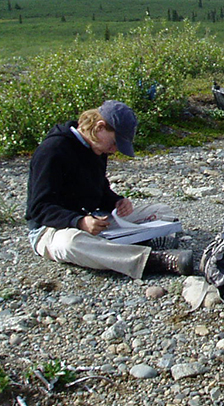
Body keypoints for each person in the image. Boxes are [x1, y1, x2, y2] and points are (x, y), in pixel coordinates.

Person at [25, 100, 195, 278]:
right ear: (99, 127)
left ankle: (116, 249)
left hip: (93, 220)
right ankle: (152, 260)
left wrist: (117, 202)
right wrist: (78, 222)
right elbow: (39, 208)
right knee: (69, 244)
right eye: (114, 143)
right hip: (52, 229)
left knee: (161, 211)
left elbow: (98, 190)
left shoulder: (97, 148)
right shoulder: (52, 151)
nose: (114, 150)